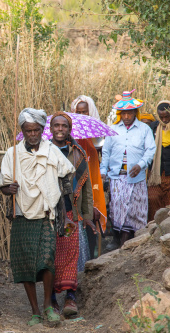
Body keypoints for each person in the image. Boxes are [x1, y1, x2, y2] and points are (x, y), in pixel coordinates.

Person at [0, 108, 75, 326]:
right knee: (25, 264)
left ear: (42, 130)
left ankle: (48, 307)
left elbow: (66, 176)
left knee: (47, 261)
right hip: (22, 214)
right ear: (22, 131)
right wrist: (8, 189)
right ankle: (34, 311)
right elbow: (3, 185)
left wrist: (67, 212)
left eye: (36, 130)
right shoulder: (12, 155)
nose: (32, 134)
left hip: (46, 214)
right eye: (28, 130)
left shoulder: (52, 151)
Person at [49, 111, 95, 317]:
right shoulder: (43, 151)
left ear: (69, 129)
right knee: (50, 255)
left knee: (69, 253)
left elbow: (85, 189)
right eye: (56, 126)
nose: (60, 129)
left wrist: (86, 216)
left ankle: (70, 296)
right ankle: (50, 299)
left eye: (64, 126)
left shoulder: (78, 153)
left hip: (70, 210)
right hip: (48, 213)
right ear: (50, 129)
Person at [100, 90, 156, 250]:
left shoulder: (144, 130)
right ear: (120, 113)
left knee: (135, 211)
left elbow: (150, 150)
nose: (126, 117)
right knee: (118, 210)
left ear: (134, 112)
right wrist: (103, 170)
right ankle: (120, 243)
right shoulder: (113, 130)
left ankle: (134, 244)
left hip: (136, 178)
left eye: (129, 113)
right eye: (123, 113)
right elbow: (106, 152)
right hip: (117, 178)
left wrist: (141, 164)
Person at [70, 95, 108, 258]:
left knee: (92, 223)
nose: (81, 115)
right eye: (78, 112)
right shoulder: (68, 136)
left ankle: (91, 263)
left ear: (90, 111)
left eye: (84, 111)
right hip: (74, 187)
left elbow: (95, 167)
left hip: (92, 185)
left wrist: (94, 202)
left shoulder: (96, 135)